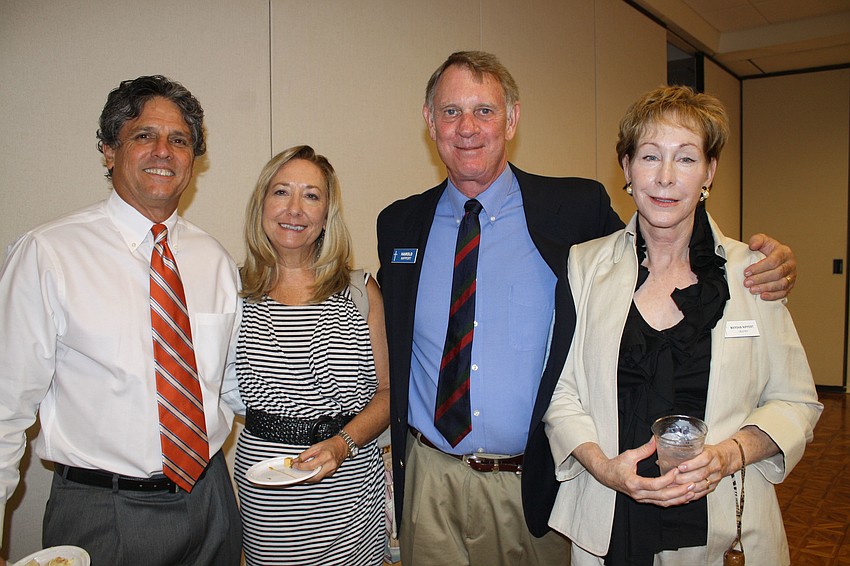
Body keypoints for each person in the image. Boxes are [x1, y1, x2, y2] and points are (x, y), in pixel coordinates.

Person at [376, 51, 799, 566]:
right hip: (430, 477)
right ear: (429, 120)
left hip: (529, 484)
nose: (467, 128)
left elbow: (660, 232)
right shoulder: (398, 224)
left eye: (485, 111)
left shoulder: (575, 213)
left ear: (511, 119)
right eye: (450, 111)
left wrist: (769, 261)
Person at [544, 85, 822, 565]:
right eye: (651, 156)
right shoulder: (584, 266)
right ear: (627, 168)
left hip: (723, 525)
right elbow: (562, 389)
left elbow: (795, 400)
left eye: (687, 159)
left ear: (709, 172)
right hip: (612, 518)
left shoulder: (751, 271)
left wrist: (730, 454)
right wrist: (604, 467)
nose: (666, 177)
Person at [0, 75, 242, 565]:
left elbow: (233, 388)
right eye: (143, 135)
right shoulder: (48, 254)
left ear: (194, 161)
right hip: (102, 512)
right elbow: (5, 407)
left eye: (179, 140)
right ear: (109, 151)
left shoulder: (214, 260)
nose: (164, 151)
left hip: (212, 499)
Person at [232, 145, 390, 565]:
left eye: (312, 196)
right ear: (262, 204)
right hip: (268, 492)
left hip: (350, 482)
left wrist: (342, 444)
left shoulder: (359, 290)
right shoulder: (233, 292)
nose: (295, 209)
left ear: (326, 215)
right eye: (281, 192)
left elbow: (390, 393)